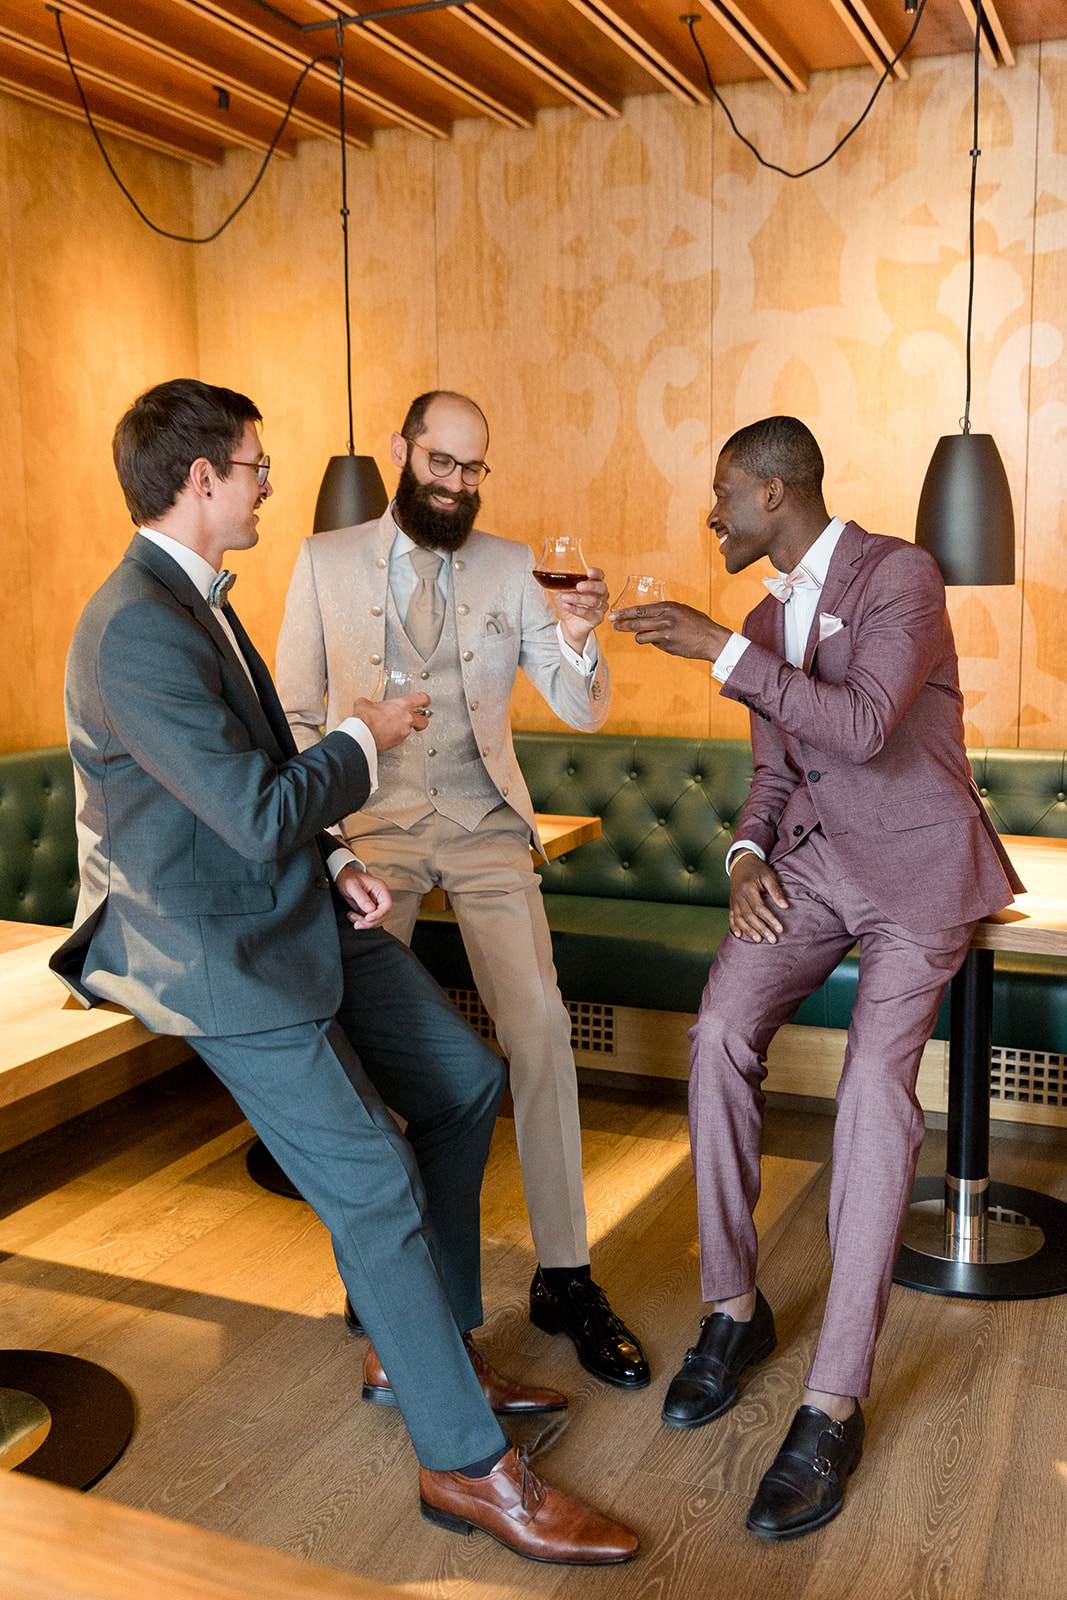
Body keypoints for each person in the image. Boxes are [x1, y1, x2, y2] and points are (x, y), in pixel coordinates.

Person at [50, 378, 638, 1567]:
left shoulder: (197, 598)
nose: (269, 481)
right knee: (372, 1175)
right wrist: (367, 735)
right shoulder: (135, 626)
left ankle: (424, 1345)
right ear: (201, 478)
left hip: (296, 889)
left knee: (465, 1082)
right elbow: (257, 802)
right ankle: (466, 1463)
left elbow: (259, 776)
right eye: (255, 465)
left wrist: (332, 858)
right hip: (213, 947)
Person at [612, 415, 1021, 1541]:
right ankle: (732, 1307)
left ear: (773, 491)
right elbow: (774, 774)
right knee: (716, 1035)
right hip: (811, 867)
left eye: (721, 494)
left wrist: (717, 652)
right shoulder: (756, 621)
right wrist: (745, 854)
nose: (710, 515)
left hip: (919, 873)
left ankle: (832, 1399)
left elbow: (864, 722)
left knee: (869, 1096)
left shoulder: (899, 574)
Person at [276, 389, 648, 1390]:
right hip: (373, 830)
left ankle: (564, 1275)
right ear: (400, 451)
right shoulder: (323, 561)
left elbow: (575, 707)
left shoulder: (511, 564)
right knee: (367, 1047)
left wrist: (577, 633)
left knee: (541, 1029)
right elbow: (293, 718)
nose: (455, 484)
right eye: (440, 462)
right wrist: (331, 841)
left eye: (472, 468)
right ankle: (390, 1266)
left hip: (484, 824)